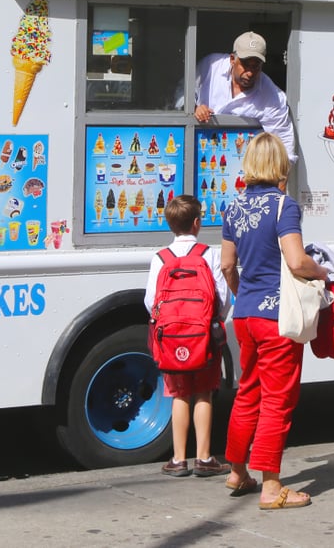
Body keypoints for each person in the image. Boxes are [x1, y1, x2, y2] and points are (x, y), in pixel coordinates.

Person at [220, 132, 328, 509]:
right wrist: (322, 273)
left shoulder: (232, 207)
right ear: (280, 165)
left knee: (248, 391)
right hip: (277, 315)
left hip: (247, 313)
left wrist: (241, 294)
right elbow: (297, 261)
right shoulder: (284, 207)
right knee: (277, 400)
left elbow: (227, 265)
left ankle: (237, 471)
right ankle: (271, 486)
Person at [143, 194, 232, 479]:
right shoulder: (209, 254)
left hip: (171, 338)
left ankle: (179, 459)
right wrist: (213, 319)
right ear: (197, 223)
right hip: (204, 335)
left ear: (170, 224)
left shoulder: (161, 258)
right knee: (203, 393)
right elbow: (222, 296)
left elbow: (150, 301)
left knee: (179, 394)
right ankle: (204, 458)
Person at [190, 31, 297, 163]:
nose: (250, 72)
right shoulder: (211, 66)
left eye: (256, 66)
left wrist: (279, 182)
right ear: (232, 60)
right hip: (198, 155)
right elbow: (181, 93)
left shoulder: (272, 95)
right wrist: (193, 107)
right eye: (245, 64)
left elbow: (283, 146)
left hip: (242, 167)